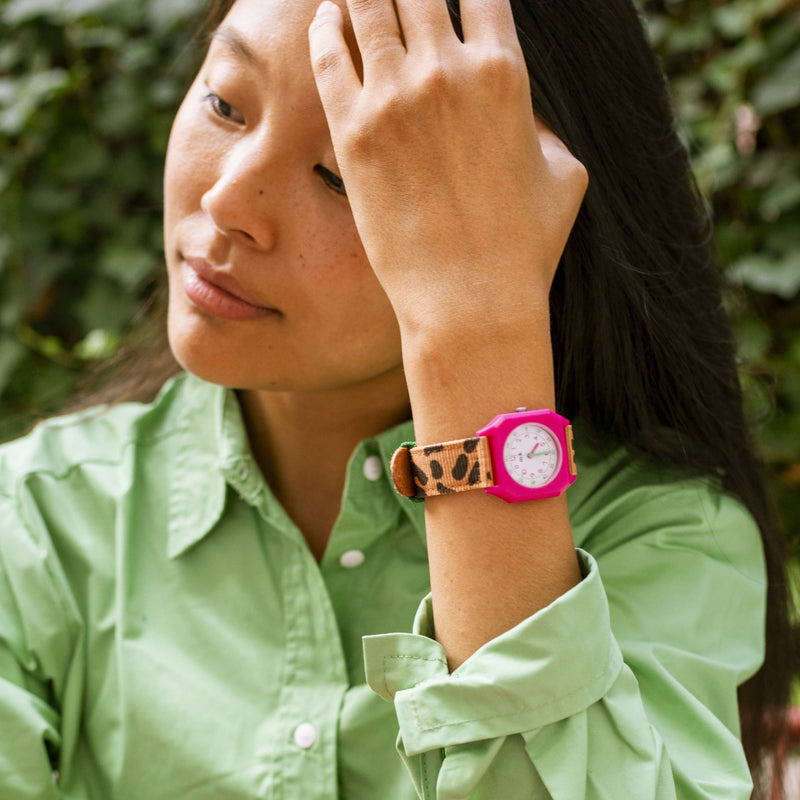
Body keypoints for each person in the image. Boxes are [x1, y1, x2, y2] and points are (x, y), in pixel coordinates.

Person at [0, 0, 793, 797]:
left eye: (344, 174)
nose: (229, 202)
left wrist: (476, 317)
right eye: (225, 103)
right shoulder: (39, 524)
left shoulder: (661, 542)